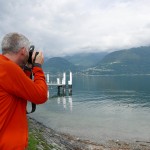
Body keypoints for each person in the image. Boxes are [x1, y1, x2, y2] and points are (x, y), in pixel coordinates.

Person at [0, 33, 48, 149]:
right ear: (23, 51)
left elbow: (20, 90)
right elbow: (40, 95)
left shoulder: (4, 66)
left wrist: (26, 69)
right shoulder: (9, 69)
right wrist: (37, 67)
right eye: (28, 51)